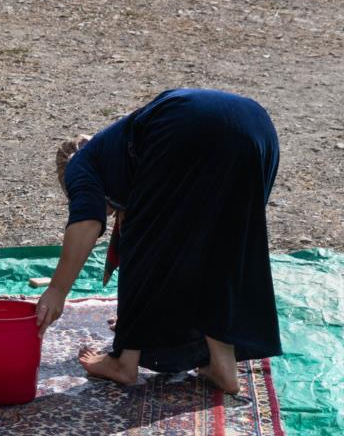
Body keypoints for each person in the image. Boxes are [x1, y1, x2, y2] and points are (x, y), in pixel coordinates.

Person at [36, 88, 281, 394]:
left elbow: (86, 222)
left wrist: (57, 289)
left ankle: (124, 362)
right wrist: (136, 318)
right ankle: (222, 365)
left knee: (141, 242)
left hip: (194, 127)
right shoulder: (122, 149)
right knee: (217, 249)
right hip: (259, 130)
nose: (110, 213)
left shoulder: (82, 165)